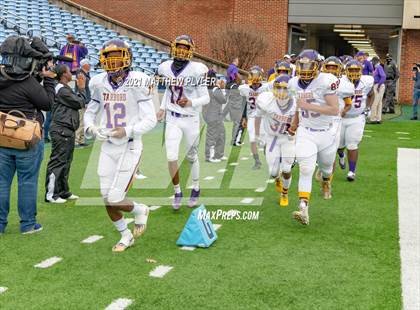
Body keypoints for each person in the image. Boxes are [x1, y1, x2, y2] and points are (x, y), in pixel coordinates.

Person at [84, 39, 157, 252]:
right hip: (108, 145)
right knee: (106, 196)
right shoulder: (98, 82)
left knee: (115, 197)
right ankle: (125, 235)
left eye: (118, 57)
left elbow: (150, 120)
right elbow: (91, 110)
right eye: (109, 57)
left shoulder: (138, 80)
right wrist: (90, 128)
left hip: (130, 145)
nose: (113, 62)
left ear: (127, 57)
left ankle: (140, 210)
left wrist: (128, 130)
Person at [0, 36, 55, 234]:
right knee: (27, 181)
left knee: (2, 182)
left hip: (2, 137)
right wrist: (48, 79)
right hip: (27, 138)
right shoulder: (29, 83)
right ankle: (28, 224)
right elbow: (48, 104)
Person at [156, 35, 210, 210]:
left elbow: (206, 97)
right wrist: (163, 107)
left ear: (190, 51)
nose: (180, 50)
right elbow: (170, 91)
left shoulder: (197, 70)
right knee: (171, 157)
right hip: (172, 118)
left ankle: (195, 187)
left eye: (185, 48)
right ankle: (177, 191)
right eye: (178, 46)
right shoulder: (165, 67)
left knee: (192, 156)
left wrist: (191, 102)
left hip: (191, 119)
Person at [288, 49, 339, 225]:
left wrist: (309, 107)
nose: (305, 68)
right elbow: (297, 107)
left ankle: (326, 181)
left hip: (326, 132)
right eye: (301, 64)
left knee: (326, 168)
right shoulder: (293, 83)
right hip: (306, 131)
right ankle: (303, 207)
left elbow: (334, 109)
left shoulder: (326, 81)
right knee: (305, 168)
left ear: (317, 65)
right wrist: (294, 125)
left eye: (308, 64)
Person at [45, 65, 86, 203]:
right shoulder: (61, 89)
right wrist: (81, 88)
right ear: (63, 74)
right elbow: (80, 102)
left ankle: (63, 191)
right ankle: (51, 194)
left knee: (66, 162)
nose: (71, 74)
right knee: (58, 162)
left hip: (67, 129)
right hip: (61, 129)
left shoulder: (64, 88)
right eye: (69, 71)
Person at [255, 75, 296, 207]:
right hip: (272, 138)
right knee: (273, 172)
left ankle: (284, 193)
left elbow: (303, 121)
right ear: (274, 88)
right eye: (279, 88)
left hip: (288, 139)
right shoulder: (266, 100)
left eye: (285, 88)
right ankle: (277, 178)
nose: (282, 91)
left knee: (286, 168)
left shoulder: (296, 103)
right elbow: (258, 116)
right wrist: (259, 135)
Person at [337, 60, 374, 181]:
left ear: (361, 71)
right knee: (339, 145)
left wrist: (368, 108)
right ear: (346, 71)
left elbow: (371, 94)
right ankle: (341, 155)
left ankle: (352, 171)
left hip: (357, 118)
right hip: (341, 118)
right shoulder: (340, 81)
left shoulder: (366, 81)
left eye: (356, 70)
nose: (353, 72)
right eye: (351, 70)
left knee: (352, 144)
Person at [239, 66, 271, 169]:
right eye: (253, 79)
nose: (255, 83)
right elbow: (244, 103)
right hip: (252, 117)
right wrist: (244, 117)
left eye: (256, 80)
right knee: (252, 139)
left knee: (264, 141)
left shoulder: (266, 88)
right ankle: (257, 161)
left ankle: (269, 157)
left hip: (263, 117)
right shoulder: (244, 88)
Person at [203, 74, 226, 162]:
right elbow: (223, 100)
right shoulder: (215, 89)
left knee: (221, 134)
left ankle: (218, 154)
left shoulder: (206, 88)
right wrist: (222, 89)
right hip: (214, 115)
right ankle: (209, 156)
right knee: (212, 136)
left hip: (212, 114)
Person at [224, 73, 246, 146]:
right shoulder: (237, 88)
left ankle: (236, 140)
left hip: (233, 108)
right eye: (240, 79)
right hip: (236, 109)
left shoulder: (232, 86)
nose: (242, 80)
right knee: (238, 124)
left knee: (237, 124)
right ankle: (234, 141)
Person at [75, 59, 91, 147]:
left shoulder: (84, 73)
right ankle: (77, 140)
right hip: (82, 100)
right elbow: (81, 88)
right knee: (80, 120)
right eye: (88, 64)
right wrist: (84, 100)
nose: (90, 65)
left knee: (83, 121)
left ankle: (81, 140)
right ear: (84, 65)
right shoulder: (80, 74)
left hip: (85, 99)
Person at [369, 56, 386, 124]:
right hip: (379, 85)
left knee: (374, 102)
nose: (372, 63)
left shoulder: (378, 67)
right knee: (379, 103)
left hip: (378, 85)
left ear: (374, 61)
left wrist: (379, 85)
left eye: (372, 62)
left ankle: (373, 119)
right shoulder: (378, 67)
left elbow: (383, 76)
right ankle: (378, 118)